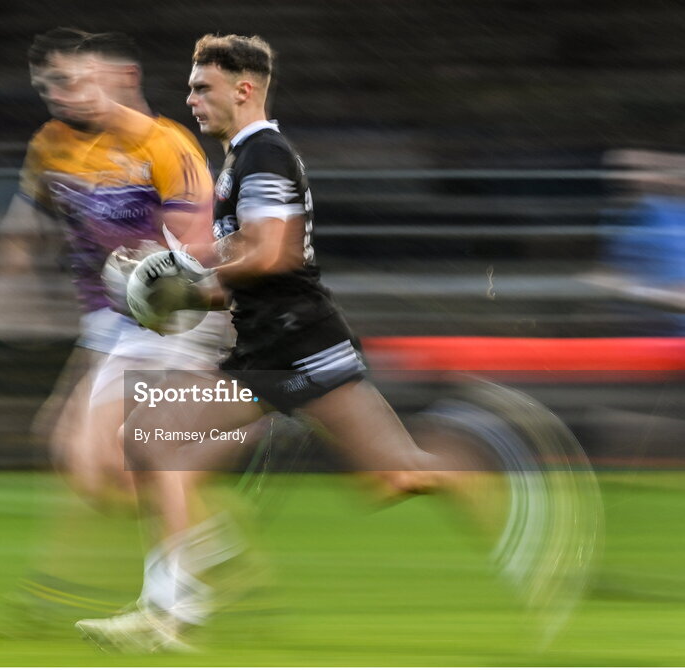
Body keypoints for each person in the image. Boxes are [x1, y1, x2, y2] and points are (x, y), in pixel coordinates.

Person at [76, 33, 599, 653]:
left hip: (302, 349)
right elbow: (252, 264)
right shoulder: (242, 160)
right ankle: (169, 611)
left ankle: (502, 465)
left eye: (201, 87)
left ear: (243, 89)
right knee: (152, 438)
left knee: (398, 475)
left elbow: (275, 254)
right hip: (266, 351)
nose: (190, 98)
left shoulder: (264, 154)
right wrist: (175, 288)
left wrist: (190, 281)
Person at [0, 28, 255, 637]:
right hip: (111, 320)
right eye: (48, 85)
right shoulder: (51, 145)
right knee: (93, 466)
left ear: (122, 78)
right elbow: (25, 225)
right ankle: (203, 546)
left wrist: (155, 277)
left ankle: (170, 598)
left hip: (171, 317)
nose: (60, 94)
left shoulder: (165, 145)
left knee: (119, 454)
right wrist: (1, 280)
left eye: (74, 79)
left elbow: (198, 250)